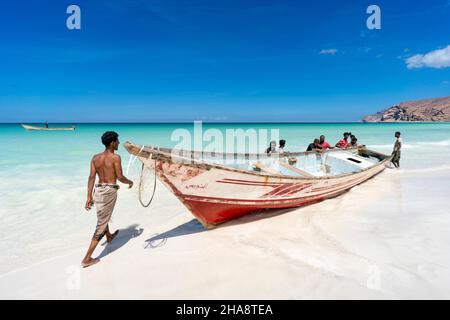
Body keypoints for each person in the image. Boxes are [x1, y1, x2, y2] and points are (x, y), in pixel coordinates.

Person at [81, 131, 134, 268]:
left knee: (104, 216)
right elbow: (120, 177)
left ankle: (109, 236)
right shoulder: (115, 157)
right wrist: (130, 182)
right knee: (101, 224)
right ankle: (87, 258)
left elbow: (91, 177)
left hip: (98, 191)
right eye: (117, 141)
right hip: (109, 191)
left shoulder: (95, 158)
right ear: (111, 143)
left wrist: (88, 197)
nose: (118, 143)